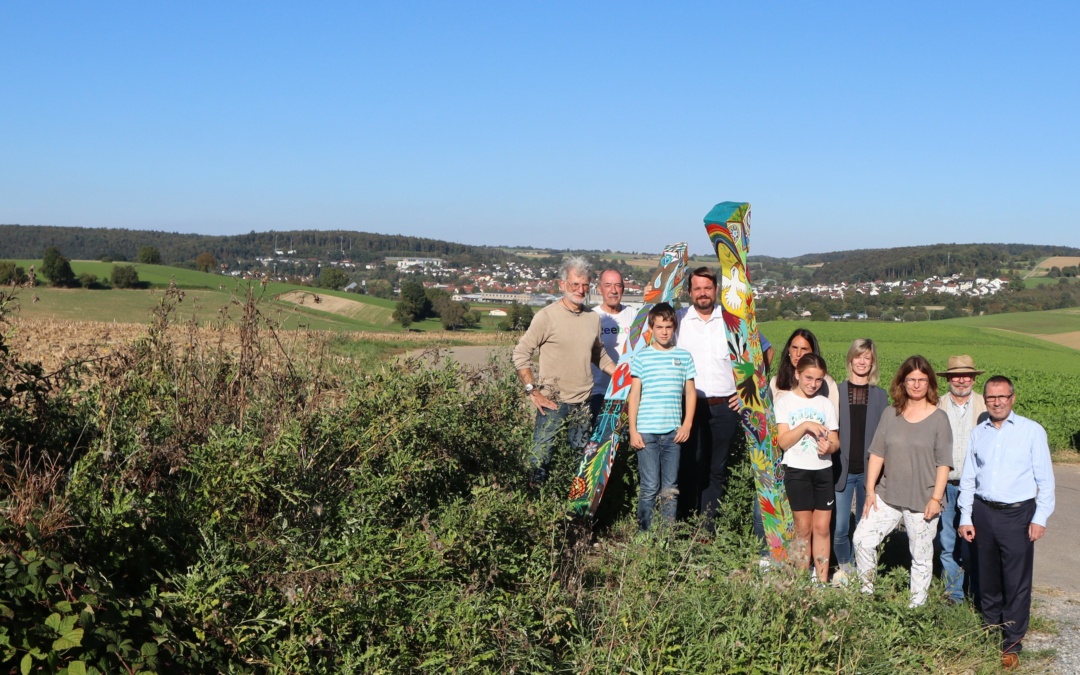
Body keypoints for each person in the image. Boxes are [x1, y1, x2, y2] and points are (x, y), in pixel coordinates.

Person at [959, 376, 1055, 669]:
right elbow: (968, 477)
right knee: (986, 577)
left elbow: (1045, 480)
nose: (996, 402)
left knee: (1015, 581)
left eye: (1002, 397)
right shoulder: (979, 433)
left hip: (1018, 514)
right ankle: (990, 629)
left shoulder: (1031, 431)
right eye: (991, 398)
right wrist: (966, 515)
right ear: (985, 400)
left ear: (1013, 398)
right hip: (983, 512)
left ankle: (1012, 642)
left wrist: (1040, 517)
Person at [853, 355, 952, 607]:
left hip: (923, 499)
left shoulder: (939, 418)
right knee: (862, 539)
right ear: (903, 382)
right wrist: (870, 491)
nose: (916, 384)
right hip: (887, 495)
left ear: (929, 382)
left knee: (920, 556)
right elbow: (877, 453)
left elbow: (944, 464)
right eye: (911, 379)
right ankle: (866, 594)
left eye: (921, 379)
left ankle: (916, 607)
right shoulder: (890, 414)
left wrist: (936, 498)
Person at [512, 256, 616, 485]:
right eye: (574, 285)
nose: (580, 290)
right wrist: (533, 391)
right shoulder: (547, 317)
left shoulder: (592, 318)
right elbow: (521, 354)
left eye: (584, 285)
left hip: (583, 404)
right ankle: (533, 510)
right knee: (540, 461)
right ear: (562, 285)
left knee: (578, 463)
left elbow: (598, 354)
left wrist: (620, 374)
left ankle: (570, 515)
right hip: (552, 403)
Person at [674, 267, 741, 529]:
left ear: (716, 290)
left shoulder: (732, 321)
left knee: (717, 468)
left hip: (725, 406)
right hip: (689, 407)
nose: (703, 293)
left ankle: (706, 527)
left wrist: (745, 391)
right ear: (690, 292)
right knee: (689, 464)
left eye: (708, 288)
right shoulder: (678, 319)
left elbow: (764, 352)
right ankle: (684, 523)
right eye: (697, 288)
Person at [627, 303, 696, 532]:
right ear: (651, 328)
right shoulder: (642, 358)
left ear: (674, 327)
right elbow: (634, 395)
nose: (664, 332)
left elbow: (691, 393)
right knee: (649, 486)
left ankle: (666, 537)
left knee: (670, 488)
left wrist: (687, 424)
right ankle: (644, 535)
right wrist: (633, 430)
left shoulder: (683, 357)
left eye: (668, 326)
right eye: (659, 327)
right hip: (646, 431)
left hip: (672, 433)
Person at [775, 353, 839, 582]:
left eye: (818, 380)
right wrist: (805, 426)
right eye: (808, 378)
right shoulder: (785, 402)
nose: (813, 384)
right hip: (797, 471)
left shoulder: (825, 404)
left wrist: (828, 447)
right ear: (797, 374)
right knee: (802, 529)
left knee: (822, 527)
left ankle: (821, 582)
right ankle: (800, 581)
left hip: (823, 471)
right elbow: (783, 442)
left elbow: (835, 440)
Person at [831, 339, 888, 587]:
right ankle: (846, 570)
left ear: (872, 362)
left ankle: (864, 576)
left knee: (865, 529)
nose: (862, 362)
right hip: (842, 470)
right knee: (840, 528)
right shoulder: (836, 392)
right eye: (858, 356)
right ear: (850, 359)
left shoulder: (880, 396)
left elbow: (884, 437)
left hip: (869, 474)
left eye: (867, 357)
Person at [936, 355, 987, 604]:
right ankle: (954, 595)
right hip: (944, 484)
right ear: (948, 379)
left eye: (967, 375)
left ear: (974, 378)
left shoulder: (987, 406)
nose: (962, 380)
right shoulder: (936, 405)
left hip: (977, 488)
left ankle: (977, 592)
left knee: (976, 542)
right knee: (946, 541)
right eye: (956, 375)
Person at [590, 269, 637, 421]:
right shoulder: (591, 317)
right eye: (608, 285)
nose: (614, 290)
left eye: (618, 285)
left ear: (623, 288)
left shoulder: (634, 315)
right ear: (599, 289)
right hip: (599, 392)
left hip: (629, 392)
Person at [769, 329, 839, 416]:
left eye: (804, 349)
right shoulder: (776, 381)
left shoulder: (827, 382)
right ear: (788, 350)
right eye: (794, 348)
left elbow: (833, 419)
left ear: (813, 352)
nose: (798, 354)